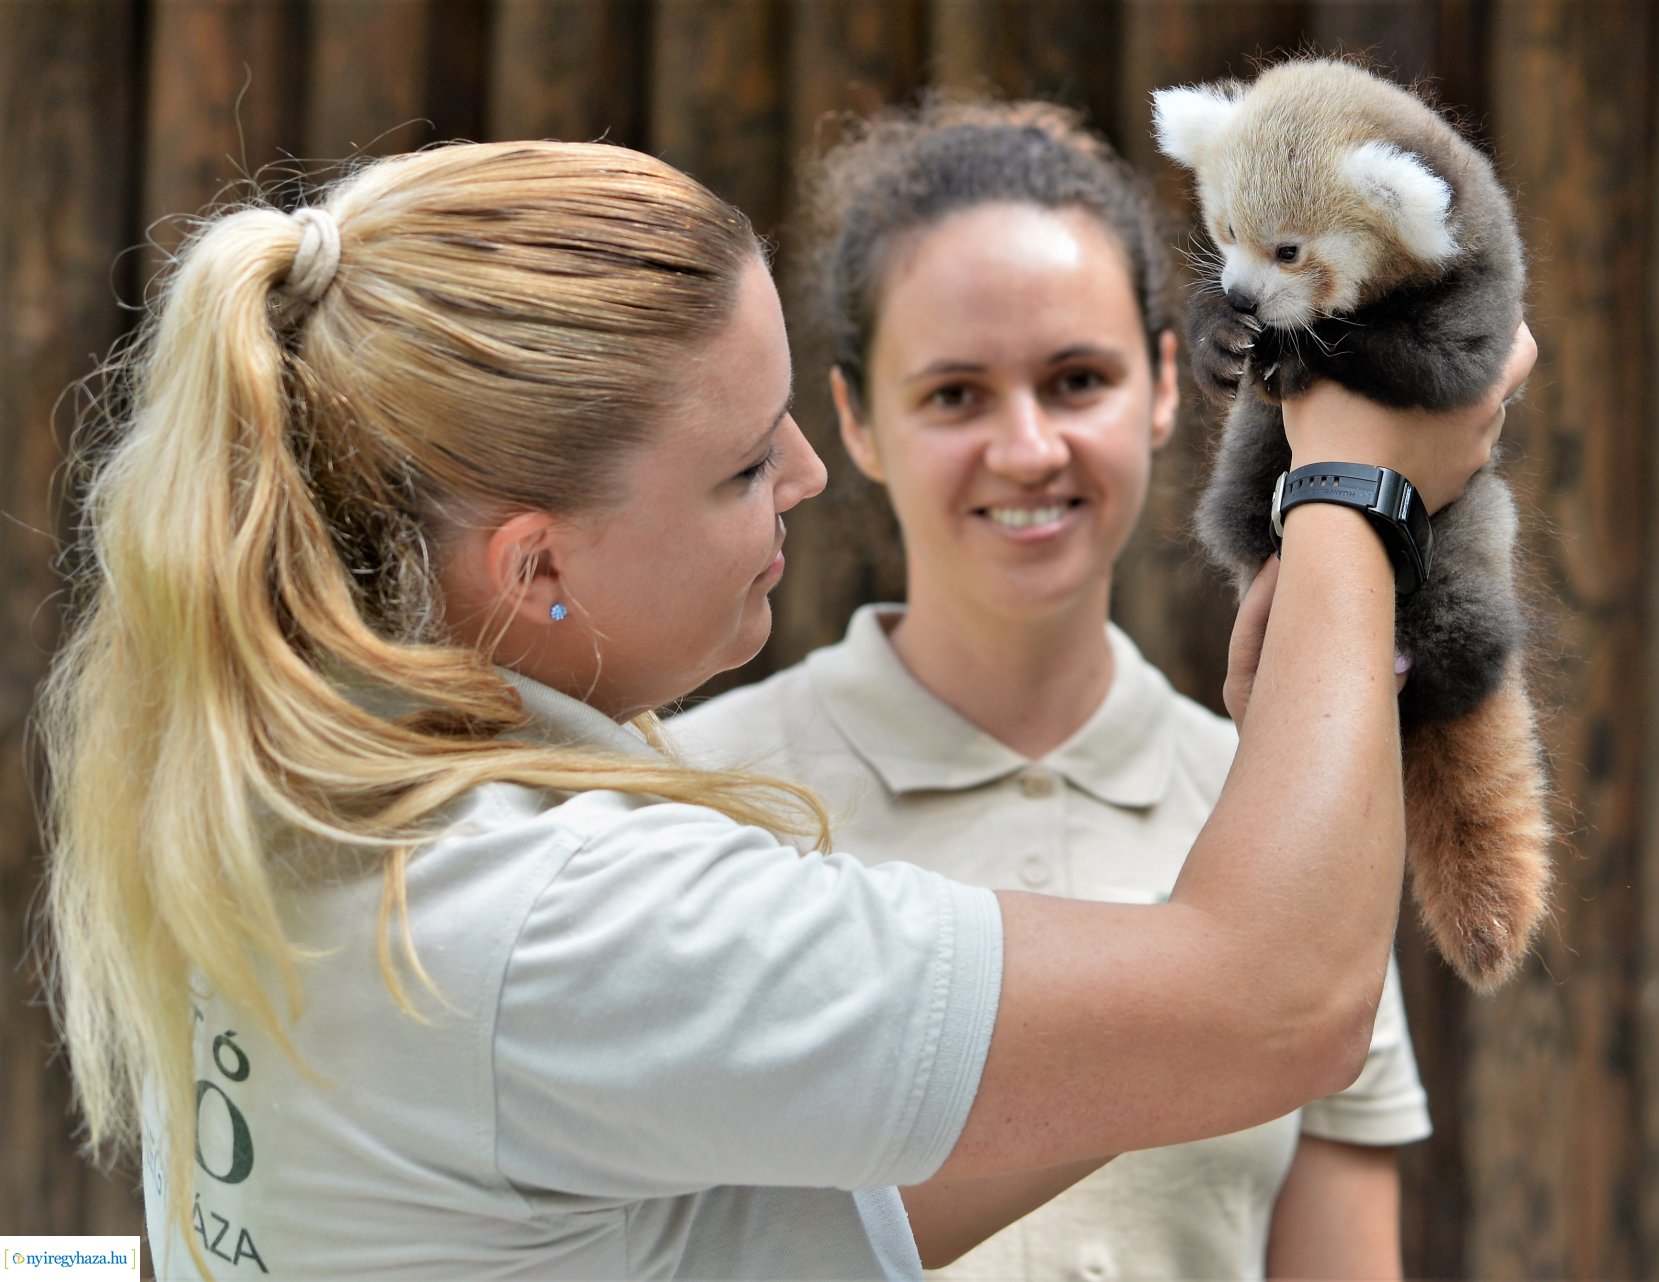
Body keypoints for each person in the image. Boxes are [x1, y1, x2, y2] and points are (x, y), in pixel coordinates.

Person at [36, 139, 1530, 1279]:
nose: (807, 481)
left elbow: (784, 1206)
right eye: (748, 464)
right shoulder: (568, 912)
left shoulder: (287, 813)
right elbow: (1278, 1002)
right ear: (536, 560)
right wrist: (1354, 488)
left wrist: (1193, 949)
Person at [669, 99, 1431, 1279]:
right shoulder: (683, 801)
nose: (1027, 449)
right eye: (955, 395)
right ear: (858, 423)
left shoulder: (1294, 818)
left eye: (1076, 379)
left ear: (1169, 383)